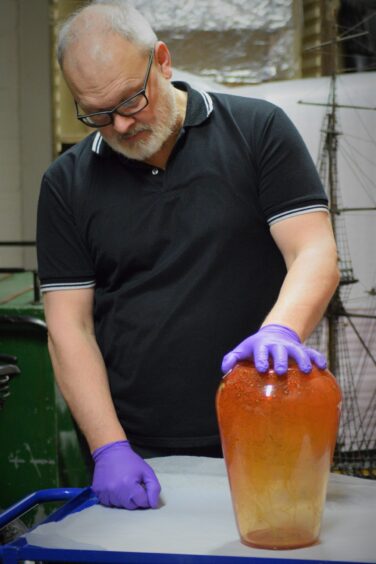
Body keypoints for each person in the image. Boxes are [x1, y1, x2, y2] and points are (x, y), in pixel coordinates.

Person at [36, 0, 340, 511]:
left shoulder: (257, 130)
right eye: (97, 114)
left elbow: (312, 248)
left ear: (162, 60)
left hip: (269, 422)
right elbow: (70, 328)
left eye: (132, 101)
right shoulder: (66, 184)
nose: (122, 126)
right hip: (140, 448)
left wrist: (281, 330)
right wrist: (108, 446)